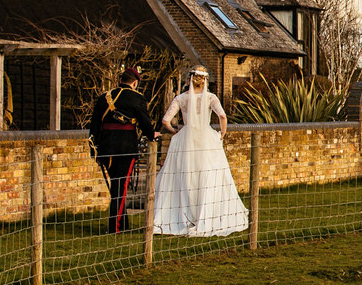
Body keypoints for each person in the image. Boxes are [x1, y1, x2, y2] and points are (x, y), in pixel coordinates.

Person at [154, 66, 249, 237]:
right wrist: (222, 133)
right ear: (204, 80)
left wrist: (175, 132)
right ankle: (206, 211)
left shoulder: (181, 98)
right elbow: (222, 116)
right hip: (206, 138)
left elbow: (165, 120)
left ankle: (182, 213)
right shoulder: (211, 98)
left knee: (184, 175)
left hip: (186, 138)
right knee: (208, 174)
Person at [87, 65, 160, 234]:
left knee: (117, 186)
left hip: (105, 147)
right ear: (135, 83)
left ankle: (122, 223)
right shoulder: (137, 98)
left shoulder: (104, 97)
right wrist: (151, 134)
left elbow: (95, 126)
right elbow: (144, 122)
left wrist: (95, 150)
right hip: (125, 148)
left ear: (120, 80)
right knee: (120, 188)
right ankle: (116, 228)